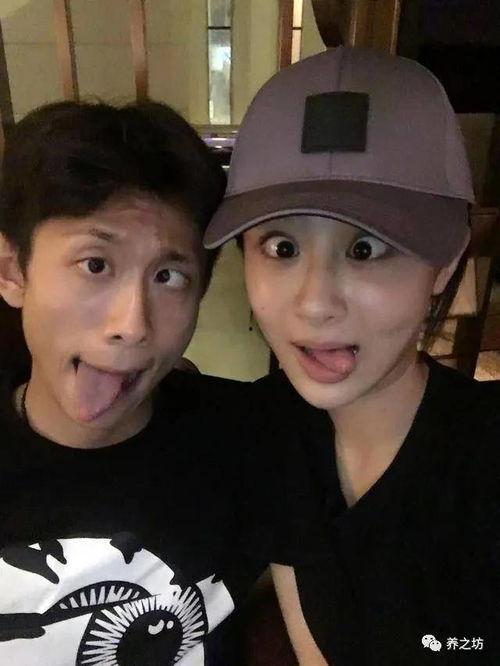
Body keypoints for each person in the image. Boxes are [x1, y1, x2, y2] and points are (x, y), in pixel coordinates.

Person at [204, 47, 500, 665]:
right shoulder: (273, 428)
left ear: (447, 258)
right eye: (281, 247)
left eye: (366, 249)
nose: (314, 304)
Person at [0, 100, 262, 664]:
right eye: (95, 264)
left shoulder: (251, 440)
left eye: (169, 277)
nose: (133, 325)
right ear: (13, 270)